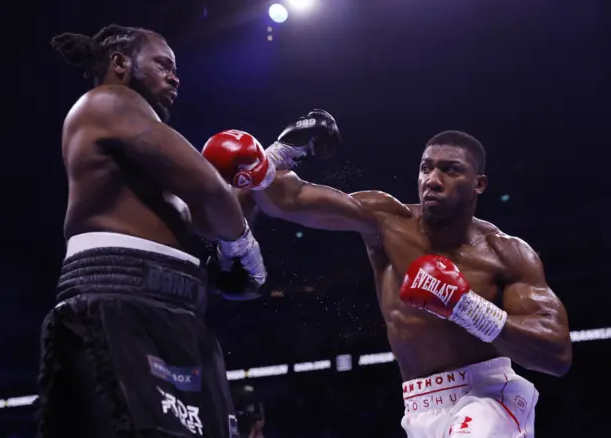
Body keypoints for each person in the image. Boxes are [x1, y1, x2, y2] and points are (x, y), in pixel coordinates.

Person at [37, 24, 332, 438]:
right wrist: (245, 251)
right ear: (120, 64)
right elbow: (210, 191)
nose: (175, 77)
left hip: (169, 308)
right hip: (120, 301)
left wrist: (273, 159)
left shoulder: (139, 146)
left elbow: (202, 214)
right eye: (163, 65)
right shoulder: (108, 102)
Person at [202, 122, 573, 437]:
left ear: (479, 184)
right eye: (426, 168)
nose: (433, 180)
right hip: (417, 407)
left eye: (451, 170)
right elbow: (287, 200)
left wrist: (467, 307)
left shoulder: (506, 253)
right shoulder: (386, 221)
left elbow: (557, 354)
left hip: (491, 395)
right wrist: (268, 160)